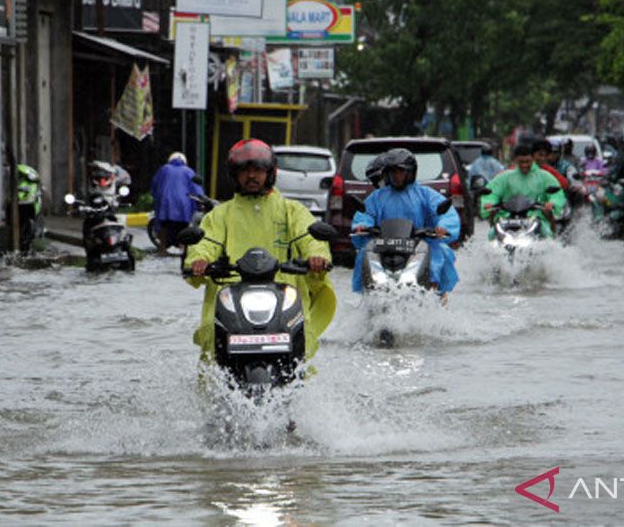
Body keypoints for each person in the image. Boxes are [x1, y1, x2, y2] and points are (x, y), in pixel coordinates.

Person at [184, 139, 336, 363]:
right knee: (213, 353)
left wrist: (317, 257)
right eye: (245, 171)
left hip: (284, 298)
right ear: (235, 175)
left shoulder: (291, 210)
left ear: (270, 172)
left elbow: (309, 237)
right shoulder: (220, 214)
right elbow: (206, 242)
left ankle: (302, 394)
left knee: (301, 354)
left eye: (257, 170)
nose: (251, 176)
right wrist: (199, 260)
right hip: (231, 298)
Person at [351, 147, 460, 296]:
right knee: (364, 253)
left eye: (401, 171)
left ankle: (436, 295)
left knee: (440, 252)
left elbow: (446, 213)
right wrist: (361, 226)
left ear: (410, 172)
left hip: (419, 244)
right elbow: (365, 214)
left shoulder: (425, 194)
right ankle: (368, 296)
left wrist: (442, 227)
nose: (397, 176)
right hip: (383, 246)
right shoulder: (377, 196)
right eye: (393, 171)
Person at [480, 143, 566, 238]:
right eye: (521, 162)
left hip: (537, 217)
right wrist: (489, 203)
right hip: (507, 218)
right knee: (492, 234)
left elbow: (556, 194)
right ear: (515, 160)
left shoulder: (545, 176)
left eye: (528, 162)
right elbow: (492, 192)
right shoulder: (505, 176)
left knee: (547, 234)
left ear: (532, 159)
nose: (525, 165)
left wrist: (552, 203)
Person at [151, 152, 205, 255]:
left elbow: (155, 185)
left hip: (165, 203)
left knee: (164, 225)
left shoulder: (164, 169)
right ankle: (183, 249)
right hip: (184, 204)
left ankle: (162, 249)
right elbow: (196, 189)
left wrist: (156, 197)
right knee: (184, 226)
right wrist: (200, 200)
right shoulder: (189, 171)